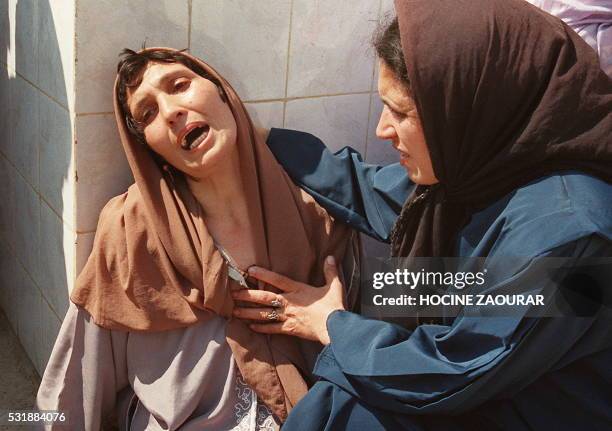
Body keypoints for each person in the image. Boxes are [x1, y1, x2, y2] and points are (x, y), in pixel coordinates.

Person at [234, 0, 612, 429]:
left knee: (345, 413)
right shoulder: (484, 168)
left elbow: (459, 367)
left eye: (402, 112)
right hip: (486, 381)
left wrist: (332, 325)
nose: (382, 130)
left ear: (468, 108)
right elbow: (372, 190)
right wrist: (260, 138)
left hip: (535, 407)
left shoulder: (573, 238)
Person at [35, 48, 360, 430]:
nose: (171, 111)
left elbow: (371, 349)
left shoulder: (313, 211)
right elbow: (80, 372)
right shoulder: (132, 227)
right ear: (149, 146)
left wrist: (336, 326)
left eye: (180, 85)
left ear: (221, 91)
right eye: (148, 113)